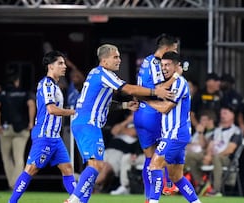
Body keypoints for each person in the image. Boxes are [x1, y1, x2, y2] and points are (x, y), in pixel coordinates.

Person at [64, 44, 175, 203]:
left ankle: (79, 200)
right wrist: (155, 91)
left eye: (119, 56)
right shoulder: (104, 73)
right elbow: (128, 89)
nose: (119, 60)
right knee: (96, 166)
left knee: (94, 167)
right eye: (115, 57)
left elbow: (103, 102)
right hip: (89, 124)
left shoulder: (96, 73)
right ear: (104, 60)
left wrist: (124, 105)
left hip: (83, 123)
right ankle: (73, 200)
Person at [8, 50, 76, 203]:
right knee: (31, 169)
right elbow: (51, 109)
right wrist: (72, 112)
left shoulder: (56, 85)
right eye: (60, 63)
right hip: (44, 135)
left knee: (67, 169)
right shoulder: (46, 84)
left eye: (64, 63)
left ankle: (77, 201)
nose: (64, 66)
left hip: (55, 137)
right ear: (50, 66)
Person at [144, 51, 202, 203]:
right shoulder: (169, 83)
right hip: (174, 134)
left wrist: (146, 101)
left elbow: (165, 108)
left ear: (177, 66)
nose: (164, 68)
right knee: (176, 176)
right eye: (162, 65)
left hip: (175, 134)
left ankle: (153, 201)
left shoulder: (180, 83)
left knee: (155, 165)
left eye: (168, 65)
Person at [133, 33, 179, 201]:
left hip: (140, 113)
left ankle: (148, 196)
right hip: (153, 113)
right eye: (174, 50)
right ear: (166, 49)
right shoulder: (157, 64)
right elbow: (160, 88)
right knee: (163, 153)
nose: (175, 54)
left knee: (149, 157)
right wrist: (176, 76)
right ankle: (166, 185)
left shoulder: (146, 60)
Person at [0, 72, 36, 190]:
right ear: (17, 82)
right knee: (19, 158)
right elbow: (31, 105)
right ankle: (16, 184)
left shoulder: (2, 93)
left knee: (6, 157)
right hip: (21, 128)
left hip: (6, 128)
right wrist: (31, 122)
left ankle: (12, 183)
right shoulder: (24, 93)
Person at [202, 105, 243, 197]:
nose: (222, 115)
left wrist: (212, 157)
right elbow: (210, 145)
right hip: (214, 156)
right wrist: (208, 155)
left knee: (217, 158)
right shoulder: (217, 130)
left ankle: (216, 190)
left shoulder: (235, 131)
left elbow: (230, 149)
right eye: (221, 113)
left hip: (227, 159)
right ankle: (199, 184)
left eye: (225, 113)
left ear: (232, 115)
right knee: (192, 156)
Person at [184, 110, 216, 193]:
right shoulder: (202, 131)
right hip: (195, 155)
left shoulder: (214, 132)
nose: (201, 122)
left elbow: (203, 146)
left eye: (204, 120)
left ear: (210, 121)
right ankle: (201, 183)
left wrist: (200, 133)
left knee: (186, 158)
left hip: (207, 156)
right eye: (201, 120)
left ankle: (201, 183)